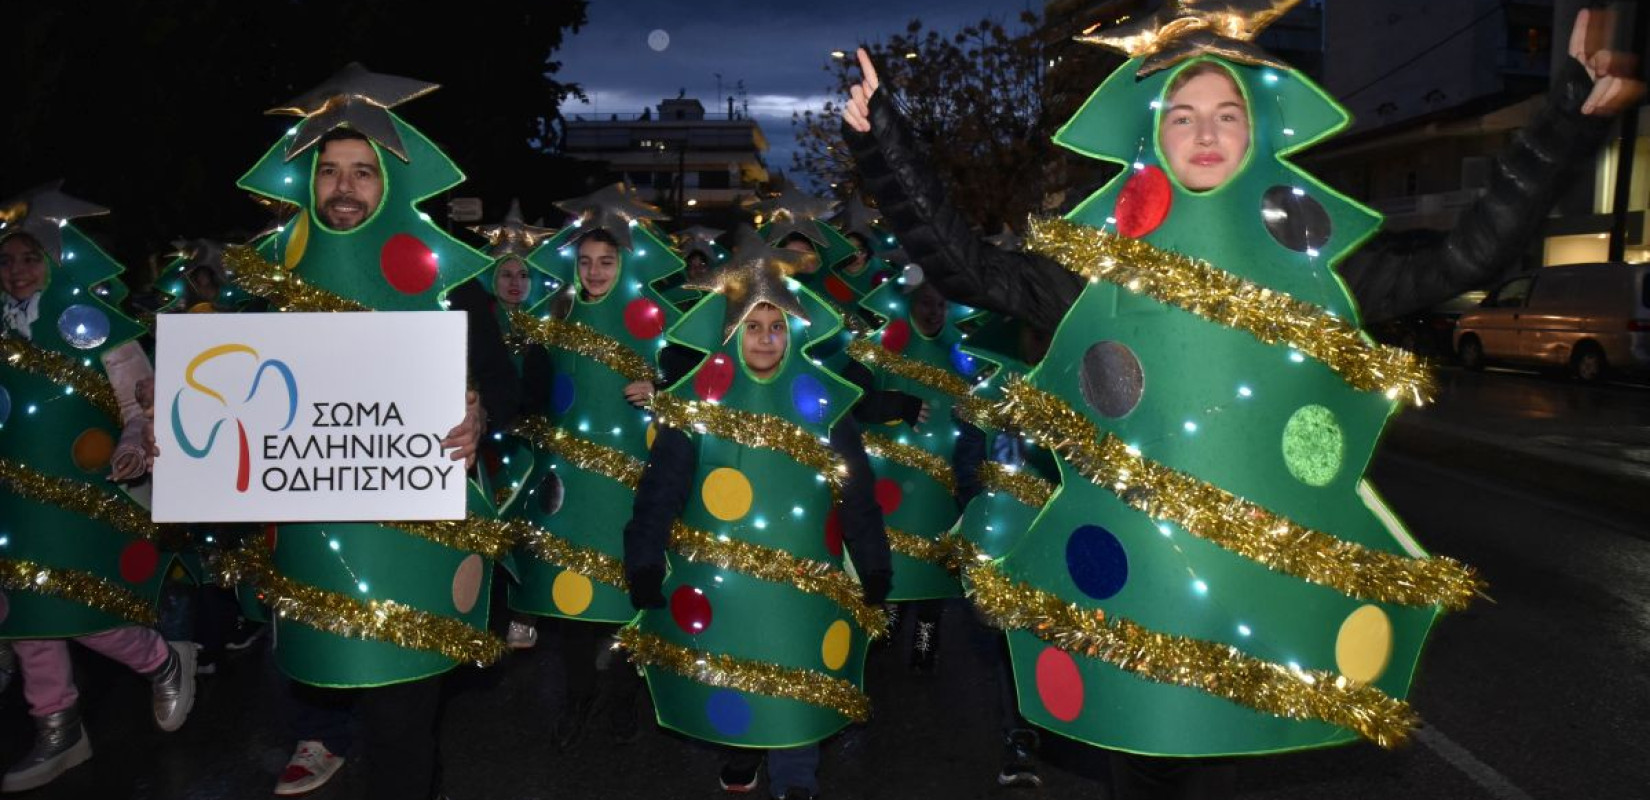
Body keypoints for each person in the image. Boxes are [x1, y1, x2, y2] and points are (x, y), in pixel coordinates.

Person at [842, 3, 1642, 797]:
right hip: (1137, 582)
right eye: (1183, 115)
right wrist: (886, 141)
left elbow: (1467, 255)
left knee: (1221, 756)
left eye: (1228, 113)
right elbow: (967, 269)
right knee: (1145, 752)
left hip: (1253, 585)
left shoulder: (1316, 270)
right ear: (1153, 133)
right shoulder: (1097, 267)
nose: (1206, 133)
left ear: (1257, 130)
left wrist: (1566, 114)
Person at [225, 64, 520, 800]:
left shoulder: (448, 286)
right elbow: (240, 401)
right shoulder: (274, 293)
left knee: (400, 724)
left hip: (412, 548)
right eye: (330, 172)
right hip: (313, 542)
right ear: (307, 184)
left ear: (389, 184)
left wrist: (481, 410)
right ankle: (323, 742)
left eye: (363, 171)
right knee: (311, 680)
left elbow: (513, 390)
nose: (345, 188)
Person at [622, 229, 891, 800]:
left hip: (803, 576)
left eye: (775, 327)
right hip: (720, 577)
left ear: (792, 333)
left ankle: (796, 776)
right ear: (731, 334)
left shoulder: (822, 405)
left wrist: (873, 564)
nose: (765, 339)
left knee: (794, 666)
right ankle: (739, 747)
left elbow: (857, 491)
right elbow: (660, 490)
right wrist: (643, 558)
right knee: (737, 658)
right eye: (752, 327)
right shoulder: (697, 406)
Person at [0, 189, 195, 794]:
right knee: (27, 617)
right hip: (15, 500)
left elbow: (142, 401)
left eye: (29, 258)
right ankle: (58, 729)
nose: (17, 273)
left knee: (85, 612)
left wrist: (134, 443)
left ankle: (163, 659)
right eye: (5, 262)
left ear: (56, 261)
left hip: (86, 495)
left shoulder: (95, 325)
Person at [499, 183, 683, 749]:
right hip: (568, 482)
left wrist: (660, 389)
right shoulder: (555, 312)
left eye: (606, 261)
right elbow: (529, 390)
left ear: (625, 261)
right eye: (585, 261)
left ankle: (623, 692)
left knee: (628, 588)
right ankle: (579, 694)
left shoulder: (656, 317)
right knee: (571, 591)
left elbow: (700, 384)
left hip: (633, 477)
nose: (596, 271)